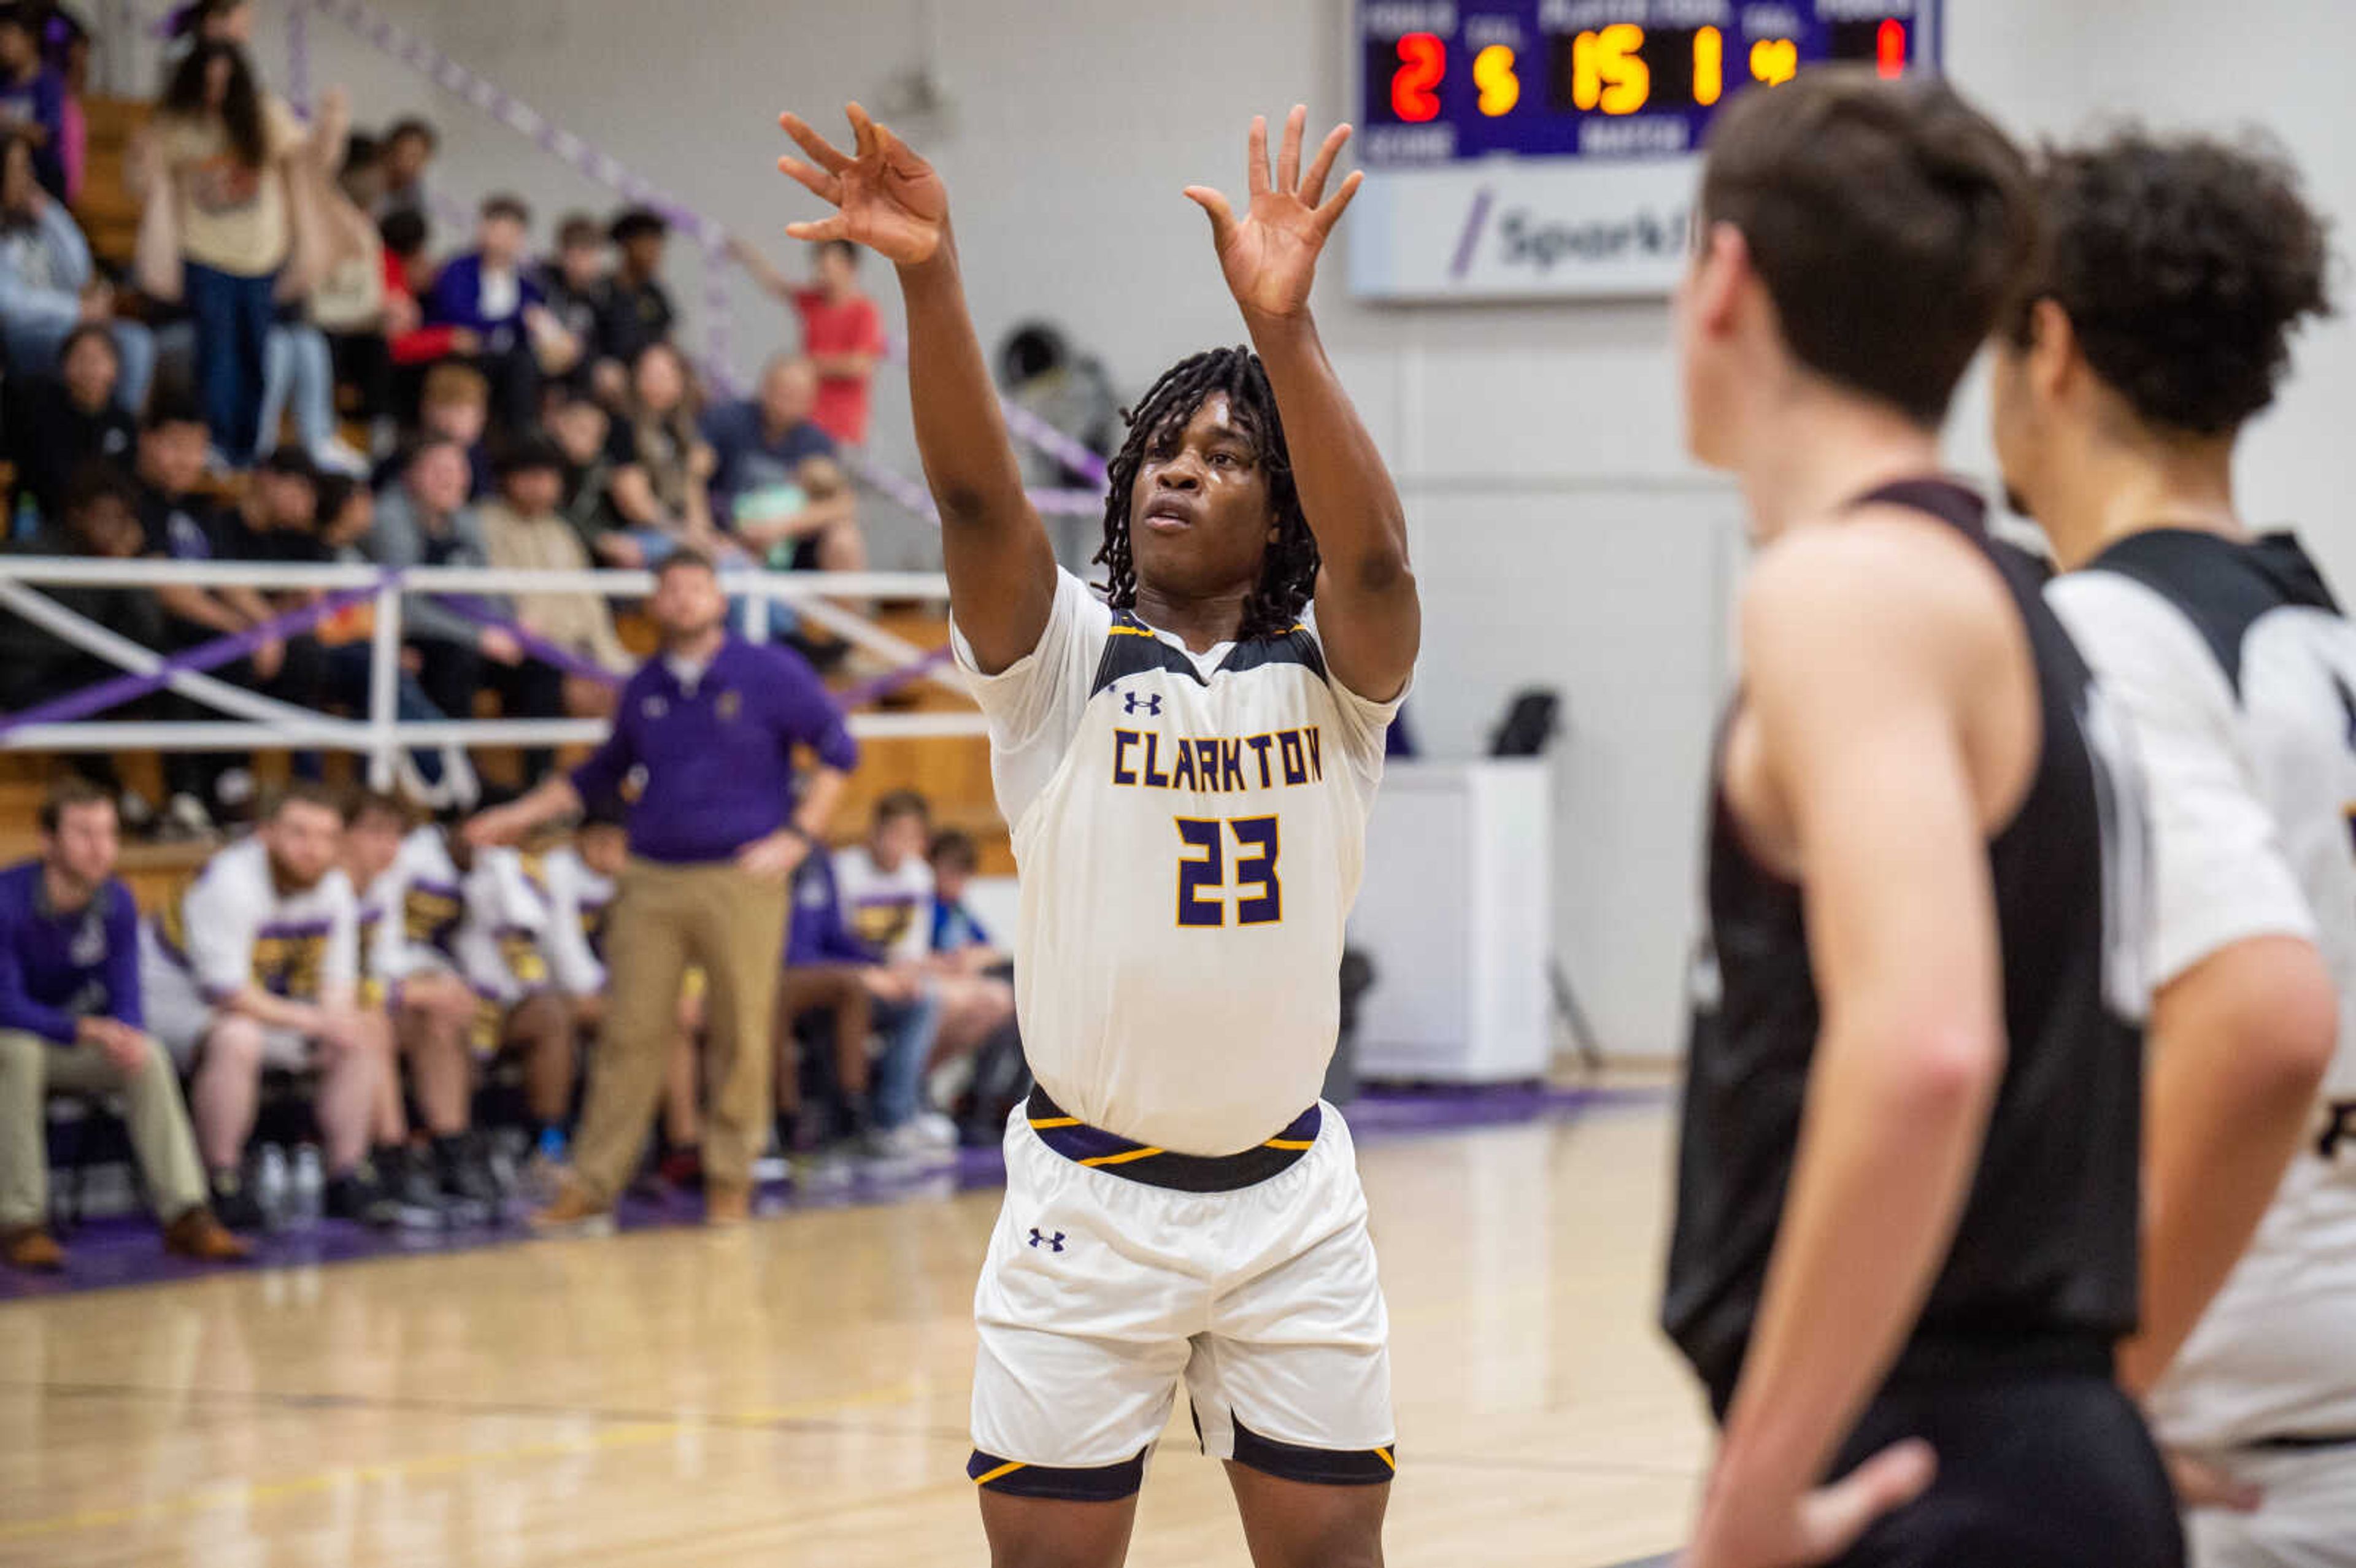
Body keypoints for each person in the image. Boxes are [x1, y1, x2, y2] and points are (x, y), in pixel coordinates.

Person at [776, 100, 1418, 1560]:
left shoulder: (1337, 682)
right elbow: (969, 499)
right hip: (1086, 1209)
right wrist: (932, 279)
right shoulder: (1060, 664)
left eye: (1225, 455)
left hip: (1290, 1210)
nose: (1178, 469)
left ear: (1283, 514)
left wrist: (1285, 334)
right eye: (1161, 450)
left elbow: (1376, 554)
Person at [1655, 72, 2180, 1568]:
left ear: (1725, 280)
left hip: (1913, 1462)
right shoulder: (2016, 603)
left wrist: (1758, 1483)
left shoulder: (1847, 590)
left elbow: (1928, 1049)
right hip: (2014, 1441)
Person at [1995, 130, 2351, 1564]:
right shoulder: (2318, 642)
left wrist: (2090, 1397)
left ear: (2053, 347)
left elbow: (2266, 1024)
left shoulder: (2105, 647)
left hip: (2222, 1468)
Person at [466, 551, 857, 1229]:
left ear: (720, 600)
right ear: (653, 603)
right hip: (649, 876)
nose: (681, 599)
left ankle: (730, 1178)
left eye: (695, 587)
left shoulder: (769, 672)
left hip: (741, 876)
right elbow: (597, 774)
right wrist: (515, 815)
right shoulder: (643, 685)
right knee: (629, 1031)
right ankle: (592, 1184)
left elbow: (837, 748)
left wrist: (799, 836)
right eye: (669, 588)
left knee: (741, 1029)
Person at [0, 780, 249, 1270]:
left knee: (146, 1054)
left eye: (109, 834)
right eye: (84, 833)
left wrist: (127, 1031)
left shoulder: (115, 900)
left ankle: (185, 1212)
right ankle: (21, 1222)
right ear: (48, 841)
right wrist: (85, 1031)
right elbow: (5, 1004)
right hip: (15, 1037)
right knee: (19, 1052)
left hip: (69, 1040)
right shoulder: (8, 899)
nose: (101, 848)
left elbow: (127, 989)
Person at [139, 783, 397, 1231]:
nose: (313, 849)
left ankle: (347, 1175)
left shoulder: (334, 888)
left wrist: (336, 1023)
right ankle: (223, 1179)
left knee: (360, 1030)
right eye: (299, 834)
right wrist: (317, 1020)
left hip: (262, 1007)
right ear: (266, 834)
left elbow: (337, 985)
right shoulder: (230, 881)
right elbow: (229, 993)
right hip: (171, 1007)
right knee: (238, 1037)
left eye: (325, 837)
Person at [372, 816, 571, 1215]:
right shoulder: (402, 864)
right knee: (428, 1019)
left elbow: (524, 926)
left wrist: (500, 875)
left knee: (547, 1014)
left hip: (466, 987)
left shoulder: (501, 866)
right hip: (392, 992)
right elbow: (380, 959)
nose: (494, 841)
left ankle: (537, 1147)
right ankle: (399, 1160)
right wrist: (424, 987)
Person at [143, 40, 308, 463]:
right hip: (205, 256)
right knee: (216, 352)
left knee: (256, 353)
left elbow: (306, 159)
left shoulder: (264, 116)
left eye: (224, 83)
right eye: (208, 82)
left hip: (260, 257)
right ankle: (216, 441)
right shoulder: (176, 124)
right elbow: (148, 176)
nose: (215, 92)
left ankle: (249, 447)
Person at [365, 437, 556, 746]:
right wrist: (478, 637)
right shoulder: (390, 518)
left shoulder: (465, 519)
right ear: (411, 475)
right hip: (417, 636)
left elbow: (485, 584)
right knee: (457, 659)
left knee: (541, 664)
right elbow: (408, 608)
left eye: (457, 469)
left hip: (469, 633)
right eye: (438, 470)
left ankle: (540, 778)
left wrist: (514, 622)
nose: (449, 479)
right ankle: (457, 768)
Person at [477, 432, 632, 774]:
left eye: (548, 477)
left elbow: (591, 606)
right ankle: (544, 785)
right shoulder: (485, 524)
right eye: (530, 476)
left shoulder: (560, 531)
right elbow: (508, 604)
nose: (541, 487)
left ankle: (601, 800)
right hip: (527, 653)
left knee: (630, 689)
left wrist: (610, 662)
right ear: (508, 478)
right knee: (572, 689)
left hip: (578, 653)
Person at [0, 130, 152, 409]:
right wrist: (77, 310)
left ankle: (119, 434)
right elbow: (9, 304)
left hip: (71, 323)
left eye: (27, 167)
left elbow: (80, 269)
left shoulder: (34, 221)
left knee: (136, 342)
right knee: (96, 355)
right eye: (18, 168)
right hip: (25, 334)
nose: (27, 177)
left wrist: (50, 213)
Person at [701, 353, 865, 571]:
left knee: (845, 538)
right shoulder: (726, 421)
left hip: (788, 547)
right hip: (725, 540)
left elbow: (843, 504)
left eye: (797, 394)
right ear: (765, 387)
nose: (786, 401)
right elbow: (691, 475)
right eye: (782, 390)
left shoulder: (817, 443)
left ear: (811, 400)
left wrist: (781, 527)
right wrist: (703, 533)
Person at [426, 193, 572, 433]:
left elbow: (538, 324)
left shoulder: (529, 283)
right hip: (467, 356)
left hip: (512, 359)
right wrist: (515, 319)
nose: (503, 241)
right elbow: (456, 315)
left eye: (511, 233)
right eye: (497, 230)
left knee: (530, 365)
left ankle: (524, 438)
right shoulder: (458, 270)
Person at [736, 234, 885, 445]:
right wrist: (748, 255)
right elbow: (777, 286)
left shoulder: (865, 311)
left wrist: (807, 366)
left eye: (830, 265)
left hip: (840, 425)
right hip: (802, 416)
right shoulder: (813, 300)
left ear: (850, 267)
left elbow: (861, 365)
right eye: (821, 265)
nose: (824, 272)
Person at [602, 339, 723, 567]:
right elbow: (634, 502)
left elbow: (694, 502)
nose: (656, 384)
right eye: (648, 375)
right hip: (637, 535)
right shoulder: (623, 427)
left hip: (678, 534)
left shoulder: (682, 432)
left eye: (665, 376)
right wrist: (683, 536)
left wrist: (701, 536)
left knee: (738, 563)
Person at [4, 321, 133, 525]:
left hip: (109, 526)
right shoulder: (39, 409)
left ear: (116, 368)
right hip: (48, 519)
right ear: (64, 365)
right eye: (81, 357)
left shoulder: (124, 422)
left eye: (99, 359)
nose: (90, 367)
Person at [924, 825, 1017, 1070]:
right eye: (949, 872)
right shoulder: (927, 906)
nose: (956, 882)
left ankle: (991, 1089)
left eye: (962, 875)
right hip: (940, 980)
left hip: (967, 979)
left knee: (1016, 1005)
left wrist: (974, 957)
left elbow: (991, 950)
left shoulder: (959, 911)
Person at [596, 206, 674, 376]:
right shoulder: (601, 293)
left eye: (659, 247)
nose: (656, 255)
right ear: (627, 246)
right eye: (648, 246)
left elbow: (667, 341)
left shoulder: (655, 294)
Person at [0, 1, 66, 199]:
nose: (3, 45)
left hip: (42, 179)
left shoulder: (48, 82)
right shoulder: (3, 81)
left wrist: (8, 124)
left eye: (9, 37)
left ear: (30, 39)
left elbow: (45, 135)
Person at [374, 115, 436, 221]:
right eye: (410, 155)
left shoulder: (415, 199)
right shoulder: (363, 171)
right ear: (390, 150)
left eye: (420, 158)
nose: (414, 164)